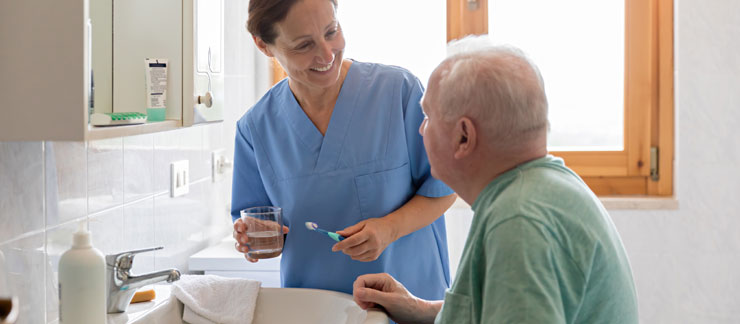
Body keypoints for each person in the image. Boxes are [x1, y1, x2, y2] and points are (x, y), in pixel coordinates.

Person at [353, 38, 639, 323]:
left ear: (464, 136)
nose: (420, 129)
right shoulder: (548, 186)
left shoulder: (519, 221)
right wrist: (417, 309)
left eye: (428, 116)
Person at [230, 0, 457, 301]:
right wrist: (252, 235)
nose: (326, 54)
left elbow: (445, 186)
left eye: (331, 31)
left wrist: (389, 228)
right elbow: (261, 225)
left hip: (411, 303)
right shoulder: (255, 129)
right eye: (303, 45)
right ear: (264, 45)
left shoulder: (397, 92)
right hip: (316, 309)